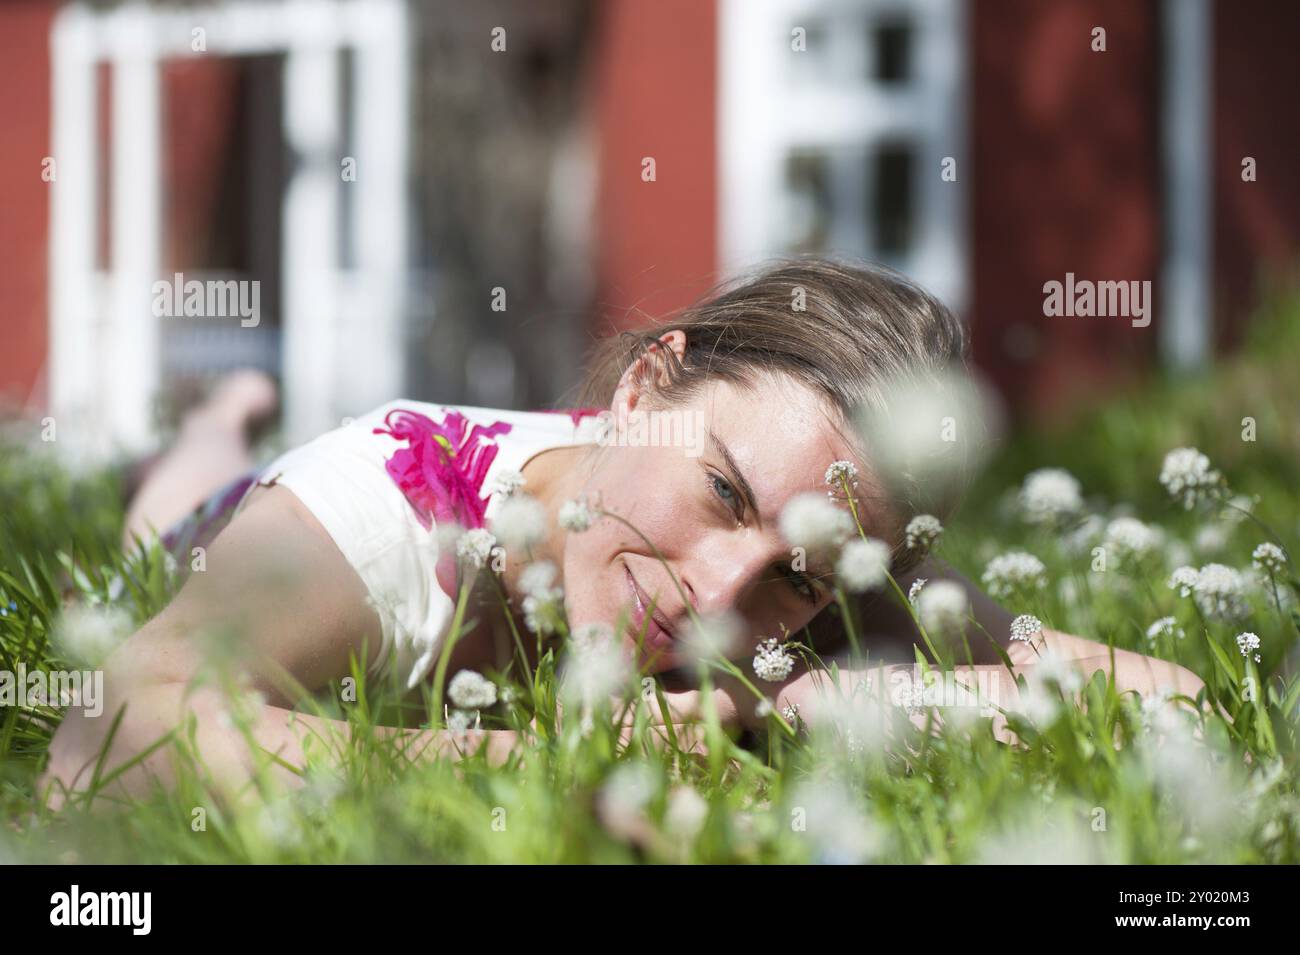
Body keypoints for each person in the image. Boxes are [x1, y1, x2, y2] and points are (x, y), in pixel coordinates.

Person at [39, 258, 1205, 807]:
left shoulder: (803, 565)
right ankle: (212, 424)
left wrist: (873, 698)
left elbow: (1161, 697)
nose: (714, 599)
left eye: (796, 580)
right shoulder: (380, 518)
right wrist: (554, 765)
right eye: (722, 495)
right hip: (230, 522)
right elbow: (101, 740)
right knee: (175, 501)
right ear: (647, 382)